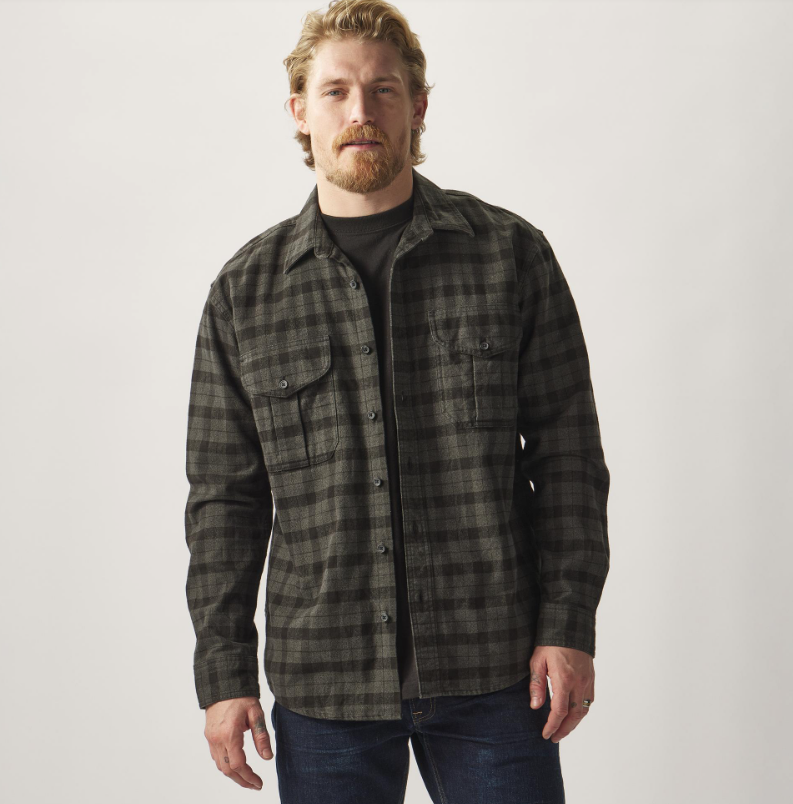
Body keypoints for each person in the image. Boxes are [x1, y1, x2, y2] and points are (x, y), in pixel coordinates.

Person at [184, 1, 610, 801]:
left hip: (495, 669)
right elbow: (224, 503)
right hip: (324, 685)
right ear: (299, 112)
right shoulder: (245, 292)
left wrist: (567, 624)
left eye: (383, 90)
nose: (360, 111)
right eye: (335, 91)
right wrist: (223, 672)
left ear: (418, 106)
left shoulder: (508, 256)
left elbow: (568, 460)